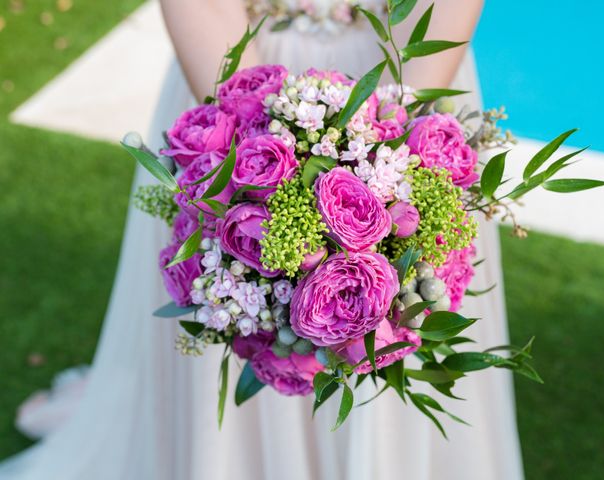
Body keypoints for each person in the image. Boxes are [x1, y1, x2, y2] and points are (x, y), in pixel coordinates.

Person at [0, 1, 524, 478]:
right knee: (233, 288)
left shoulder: (407, 98)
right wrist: (254, 140)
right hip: (234, 67)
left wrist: (397, 139)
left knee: (400, 296)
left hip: (404, 70)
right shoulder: (241, 103)